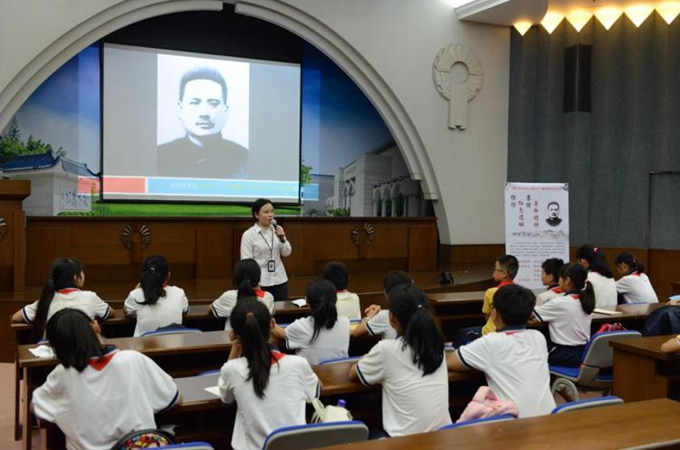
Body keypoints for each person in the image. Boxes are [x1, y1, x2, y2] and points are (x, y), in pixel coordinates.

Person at [31, 308, 180, 450]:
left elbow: (36, 407)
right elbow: (175, 398)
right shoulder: (134, 359)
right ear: (96, 326)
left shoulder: (62, 375)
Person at [349, 284, 451, 437]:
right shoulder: (437, 347)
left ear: (392, 318)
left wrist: (365, 359)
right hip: (442, 437)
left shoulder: (386, 349)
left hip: (404, 442)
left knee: (365, 428)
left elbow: (353, 374)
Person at [218, 300, 321, 450]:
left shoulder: (232, 370)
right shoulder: (298, 364)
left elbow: (226, 400)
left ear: (233, 334)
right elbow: (316, 392)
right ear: (272, 324)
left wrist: (236, 347)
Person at [448, 285, 555, 418]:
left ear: (494, 313)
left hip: (516, 426)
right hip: (550, 419)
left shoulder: (491, 342)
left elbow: (451, 361)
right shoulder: (538, 337)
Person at [158, 66, 248, 179]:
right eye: (195, 103)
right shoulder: (160, 156)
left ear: (226, 111)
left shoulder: (244, 158)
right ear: (180, 109)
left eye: (213, 103)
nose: (204, 113)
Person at [12, 257, 114, 337]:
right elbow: (111, 313)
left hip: (54, 352)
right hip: (84, 351)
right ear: (76, 278)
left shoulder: (45, 300)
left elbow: (15, 317)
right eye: (82, 272)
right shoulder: (90, 297)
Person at [271, 279, 350, 365]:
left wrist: (267, 320)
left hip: (310, 376)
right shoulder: (345, 323)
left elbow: (280, 333)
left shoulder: (302, 326)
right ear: (336, 299)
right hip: (340, 375)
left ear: (307, 301)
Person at [532, 263, 595, 367]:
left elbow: (532, 315)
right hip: (583, 352)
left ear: (567, 281)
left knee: (533, 350)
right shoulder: (586, 301)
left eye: (560, 278)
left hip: (563, 353)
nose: (559, 281)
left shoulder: (559, 302)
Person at [453, 255, 518, 347]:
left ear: (504, 273)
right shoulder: (520, 293)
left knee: (460, 334)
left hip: (490, 333)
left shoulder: (491, 292)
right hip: (512, 334)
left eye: (495, 269)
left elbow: (488, 316)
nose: (493, 272)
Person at [123, 255, 189, 337]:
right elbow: (185, 310)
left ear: (144, 275)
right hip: (174, 346)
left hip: (143, 348)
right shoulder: (179, 293)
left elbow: (127, 312)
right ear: (168, 275)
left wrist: (137, 289)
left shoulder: (135, 294)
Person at [240, 198, 292, 302]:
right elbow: (246, 262)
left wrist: (282, 239)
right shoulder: (249, 235)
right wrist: (253, 283)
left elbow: (287, 253)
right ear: (256, 215)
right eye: (266, 212)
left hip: (279, 278)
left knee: (282, 310)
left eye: (272, 211)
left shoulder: (277, 230)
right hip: (260, 282)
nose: (271, 215)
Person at [211, 258, 275, 331]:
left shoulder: (229, 296)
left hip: (232, 341)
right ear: (258, 278)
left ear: (236, 278)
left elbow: (211, 309)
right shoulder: (268, 297)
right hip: (261, 341)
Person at [352, 270, 413, 340]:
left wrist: (370, 317)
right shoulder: (420, 312)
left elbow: (356, 333)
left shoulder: (385, 316)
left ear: (386, 293)